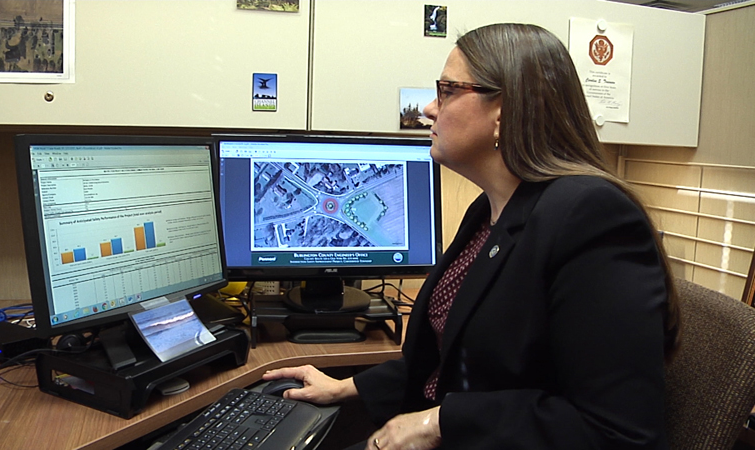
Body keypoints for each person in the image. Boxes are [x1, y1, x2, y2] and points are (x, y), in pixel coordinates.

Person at [263, 23, 680, 450]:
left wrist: (438, 423)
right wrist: (345, 387)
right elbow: (451, 361)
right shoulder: (490, 210)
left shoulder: (592, 216)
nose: (428, 108)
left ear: (504, 110)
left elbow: (617, 432)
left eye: (446, 90)